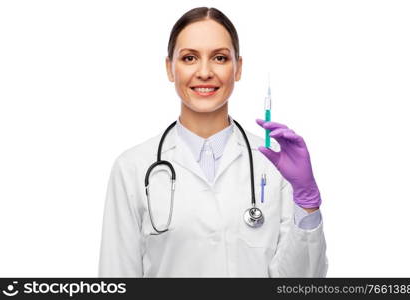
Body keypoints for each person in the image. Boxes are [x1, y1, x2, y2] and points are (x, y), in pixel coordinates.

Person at [98, 7, 328, 277]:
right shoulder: (132, 168)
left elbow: (302, 282)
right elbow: (116, 277)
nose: (205, 72)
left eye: (219, 58)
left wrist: (307, 201)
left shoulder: (274, 165)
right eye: (189, 58)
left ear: (238, 68)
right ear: (169, 68)